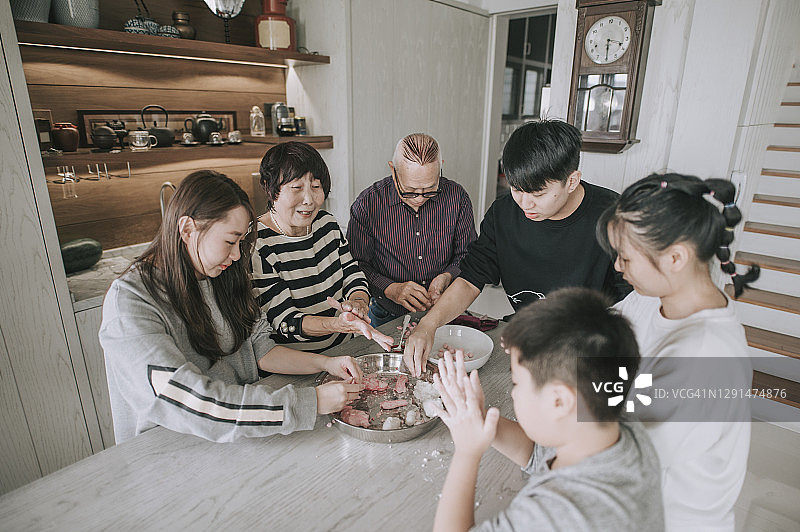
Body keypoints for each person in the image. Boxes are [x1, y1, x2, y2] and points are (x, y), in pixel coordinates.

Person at [99, 170, 364, 444]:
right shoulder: (130, 302)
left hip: (242, 433)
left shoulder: (218, 275)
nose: (237, 255)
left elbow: (260, 349)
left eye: (240, 242)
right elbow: (190, 400)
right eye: (230, 241)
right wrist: (310, 402)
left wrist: (326, 363)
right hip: (173, 448)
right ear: (188, 229)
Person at [598, 173, 759, 530]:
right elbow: (603, 331)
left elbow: (619, 456)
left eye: (625, 257)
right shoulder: (649, 300)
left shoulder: (705, 356)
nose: (617, 267)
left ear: (675, 258)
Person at [404, 119, 628, 375]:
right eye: (517, 189)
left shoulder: (615, 218)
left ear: (572, 181)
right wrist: (428, 325)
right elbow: (470, 280)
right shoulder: (503, 214)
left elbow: (633, 303)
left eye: (538, 194)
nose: (525, 204)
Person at [432, 288, 663, 532]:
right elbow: (538, 453)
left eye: (517, 382)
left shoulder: (557, 514)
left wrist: (467, 452)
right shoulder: (616, 425)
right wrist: (482, 420)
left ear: (559, 401)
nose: (513, 393)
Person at [251, 142, 393, 353]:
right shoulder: (257, 244)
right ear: (270, 189)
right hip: (294, 368)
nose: (309, 200)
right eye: (296, 188)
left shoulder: (326, 224)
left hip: (342, 352)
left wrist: (358, 302)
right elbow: (284, 321)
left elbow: (352, 273)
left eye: (316, 187)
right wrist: (337, 324)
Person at [347, 133, 477, 326]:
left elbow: (469, 253)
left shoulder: (457, 198)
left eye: (430, 189)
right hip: (387, 312)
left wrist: (447, 276)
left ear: (440, 166)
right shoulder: (368, 205)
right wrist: (391, 289)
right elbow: (356, 264)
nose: (419, 198)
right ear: (393, 170)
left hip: (445, 309)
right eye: (409, 190)